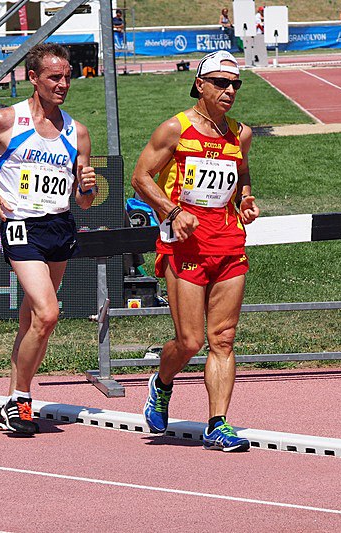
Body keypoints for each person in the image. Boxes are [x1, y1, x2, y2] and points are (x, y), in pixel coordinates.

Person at [0, 43, 97, 436]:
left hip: (60, 225)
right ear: (34, 78)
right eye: (54, 77)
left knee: (32, 319)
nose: (63, 84)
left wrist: (87, 188)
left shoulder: (77, 131)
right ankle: (21, 400)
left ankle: (12, 400)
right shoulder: (4, 120)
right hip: (20, 227)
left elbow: (84, 200)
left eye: (67, 76)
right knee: (48, 314)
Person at [131, 50, 260, 453]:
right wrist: (172, 210)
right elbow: (140, 178)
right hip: (182, 245)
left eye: (235, 84)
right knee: (189, 342)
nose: (229, 91)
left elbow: (240, 173)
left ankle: (218, 424)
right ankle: (163, 383)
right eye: (221, 83)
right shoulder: (174, 129)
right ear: (200, 85)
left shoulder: (240, 134)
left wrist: (247, 198)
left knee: (222, 338)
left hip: (228, 244)